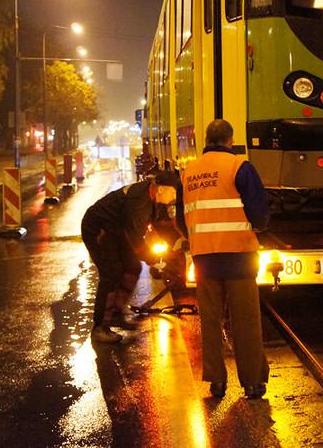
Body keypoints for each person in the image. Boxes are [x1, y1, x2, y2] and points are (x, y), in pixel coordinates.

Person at [176, 119, 270, 398]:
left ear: (206, 140)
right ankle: (252, 382)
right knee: (246, 321)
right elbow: (259, 212)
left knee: (210, 320)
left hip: (204, 257)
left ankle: (216, 381)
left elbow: (182, 219)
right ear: (230, 140)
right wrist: (259, 228)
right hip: (239, 255)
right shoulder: (240, 167)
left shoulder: (188, 172)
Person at [81, 170, 179, 343]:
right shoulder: (139, 203)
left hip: (116, 229)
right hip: (98, 228)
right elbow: (137, 244)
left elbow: (152, 225)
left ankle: (115, 315)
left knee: (133, 268)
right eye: (172, 192)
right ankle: (99, 327)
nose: (174, 196)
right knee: (112, 273)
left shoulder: (151, 196)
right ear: (161, 189)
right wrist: (160, 264)